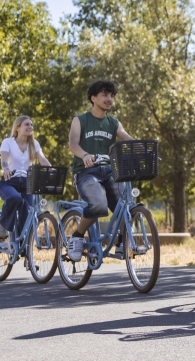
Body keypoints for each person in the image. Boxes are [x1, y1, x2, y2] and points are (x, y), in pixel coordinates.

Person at [65, 79, 134, 260]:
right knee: (98, 205)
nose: (109, 99)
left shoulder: (114, 123)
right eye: (104, 95)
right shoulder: (80, 120)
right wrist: (85, 155)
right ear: (93, 98)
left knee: (126, 206)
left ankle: (121, 242)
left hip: (110, 172)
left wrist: (142, 148)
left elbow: (127, 139)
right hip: (86, 172)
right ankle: (77, 236)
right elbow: (73, 145)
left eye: (111, 96)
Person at [0, 116, 51, 239]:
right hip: (9, 180)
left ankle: (22, 243)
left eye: (31, 124)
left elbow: (42, 159)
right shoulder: (7, 142)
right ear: (18, 127)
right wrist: (6, 169)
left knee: (28, 210)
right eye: (27, 124)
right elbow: (4, 159)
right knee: (15, 198)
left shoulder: (34, 144)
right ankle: (2, 225)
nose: (30, 127)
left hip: (27, 182)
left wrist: (50, 169)